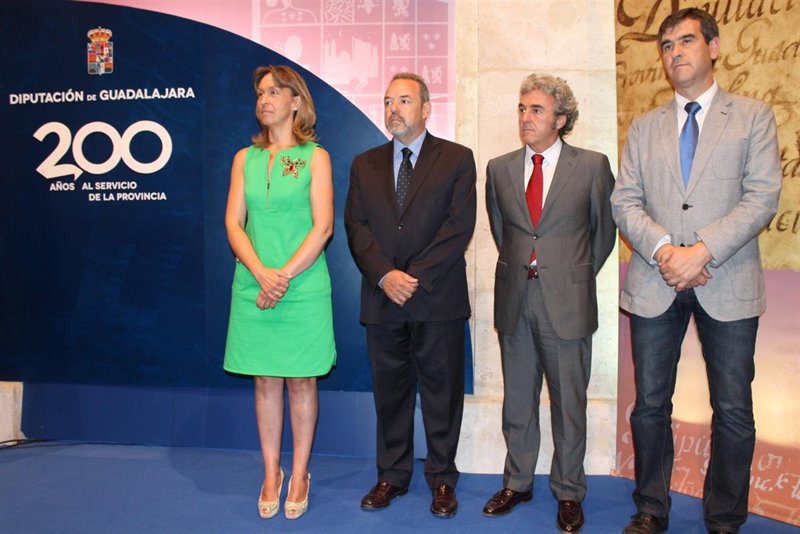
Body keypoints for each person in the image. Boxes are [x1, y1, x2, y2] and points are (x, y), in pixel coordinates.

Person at [611, 8, 782, 534]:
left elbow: (762, 198)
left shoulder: (752, 116)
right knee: (649, 406)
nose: (675, 53)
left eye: (685, 41)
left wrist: (701, 251)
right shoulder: (645, 127)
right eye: (666, 46)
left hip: (726, 279)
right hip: (654, 279)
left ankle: (725, 518)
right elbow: (624, 201)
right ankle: (650, 509)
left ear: (714, 46)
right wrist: (667, 251)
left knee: (733, 409)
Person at [483, 73, 616, 533]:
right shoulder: (499, 169)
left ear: (561, 119)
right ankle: (517, 482)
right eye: (522, 108)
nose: (526, 117)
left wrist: (570, 275)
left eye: (536, 110)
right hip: (515, 299)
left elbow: (603, 235)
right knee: (518, 401)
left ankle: (569, 491)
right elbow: (503, 231)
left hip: (568, 301)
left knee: (569, 404)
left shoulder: (592, 166)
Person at [344, 72, 476, 518]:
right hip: (383, 299)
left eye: (403, 100)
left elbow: (458, 227)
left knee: (442, 395)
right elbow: (356, 227)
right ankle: (391, 476)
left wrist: (412, 277)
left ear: (426, 108)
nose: (393, 109)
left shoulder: (457, 159)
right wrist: (385, 275)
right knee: (390, 395)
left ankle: (443, 479)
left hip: (436, 298)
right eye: (387, 101)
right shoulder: (364, 164)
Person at [223, 65, 336, 521]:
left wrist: (282, 277)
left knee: (302, 380)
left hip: (302, 287)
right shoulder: (243, 159)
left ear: (296, 102)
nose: (264, 100)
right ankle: (271, 472)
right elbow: (234, 224)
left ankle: (301, 472)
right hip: (253, 285)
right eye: (260, 93)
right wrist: (261, 273)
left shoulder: (316, 157)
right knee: (265, 380)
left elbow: (323, 227)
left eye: (274, 92)